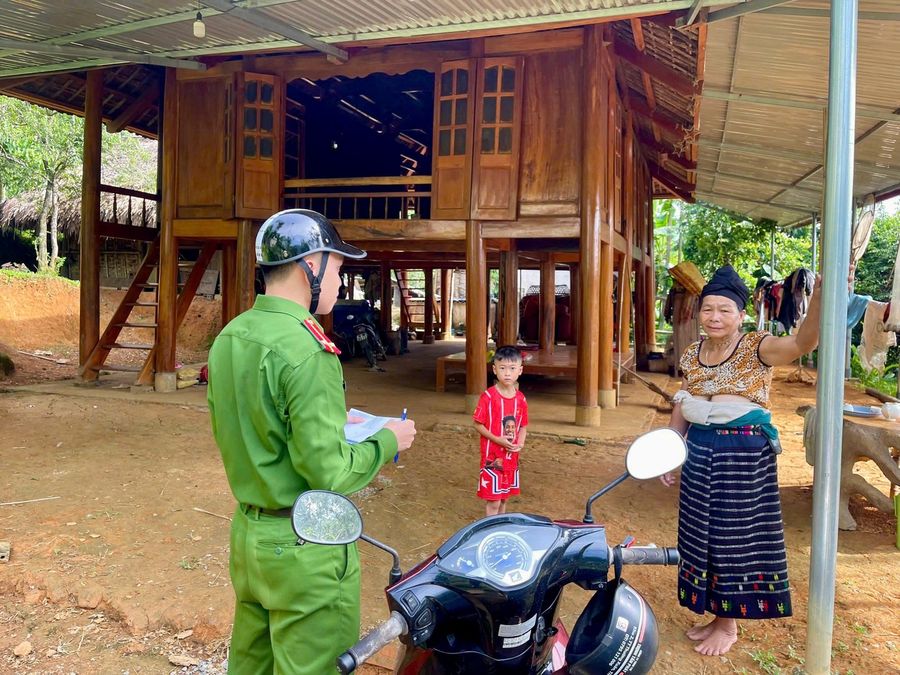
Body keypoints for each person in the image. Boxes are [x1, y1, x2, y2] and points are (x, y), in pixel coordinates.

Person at [207, 209, 417, 674]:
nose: (342, 281)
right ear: (312, 264)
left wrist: (332, 422)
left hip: (249, 537)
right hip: (305, 546)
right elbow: (329, 472)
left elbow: (249, 425)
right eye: (339, 267)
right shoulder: (308, 350)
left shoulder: (230, 336)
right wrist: (387, 439)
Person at [660, 264, 822, 657]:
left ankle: (729, 624)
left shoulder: (758, 345)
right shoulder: (693, 353)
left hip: (743, 454)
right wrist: (670, 449)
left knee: (733, 536)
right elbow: (684, 401)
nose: (715, 317)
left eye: (725, 310)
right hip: (700, 449)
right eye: (708, 309)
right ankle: (716, 614)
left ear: (741, 315)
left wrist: (821, 295)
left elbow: (803, 343)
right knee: (701, 533)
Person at [474, 346, 528, 516]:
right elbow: (478, 424)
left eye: (512, 369)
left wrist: (520, 443)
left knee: (504, 497)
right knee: (494, 500)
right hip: (492, 459)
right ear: (494, 369)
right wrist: (497, 439)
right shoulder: (488, 397)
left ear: (520, 370)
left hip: (511, 458)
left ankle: (500, 527)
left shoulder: (520, 399)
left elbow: (523, 426)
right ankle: (491, 529)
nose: (507, 373)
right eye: (502, 368)